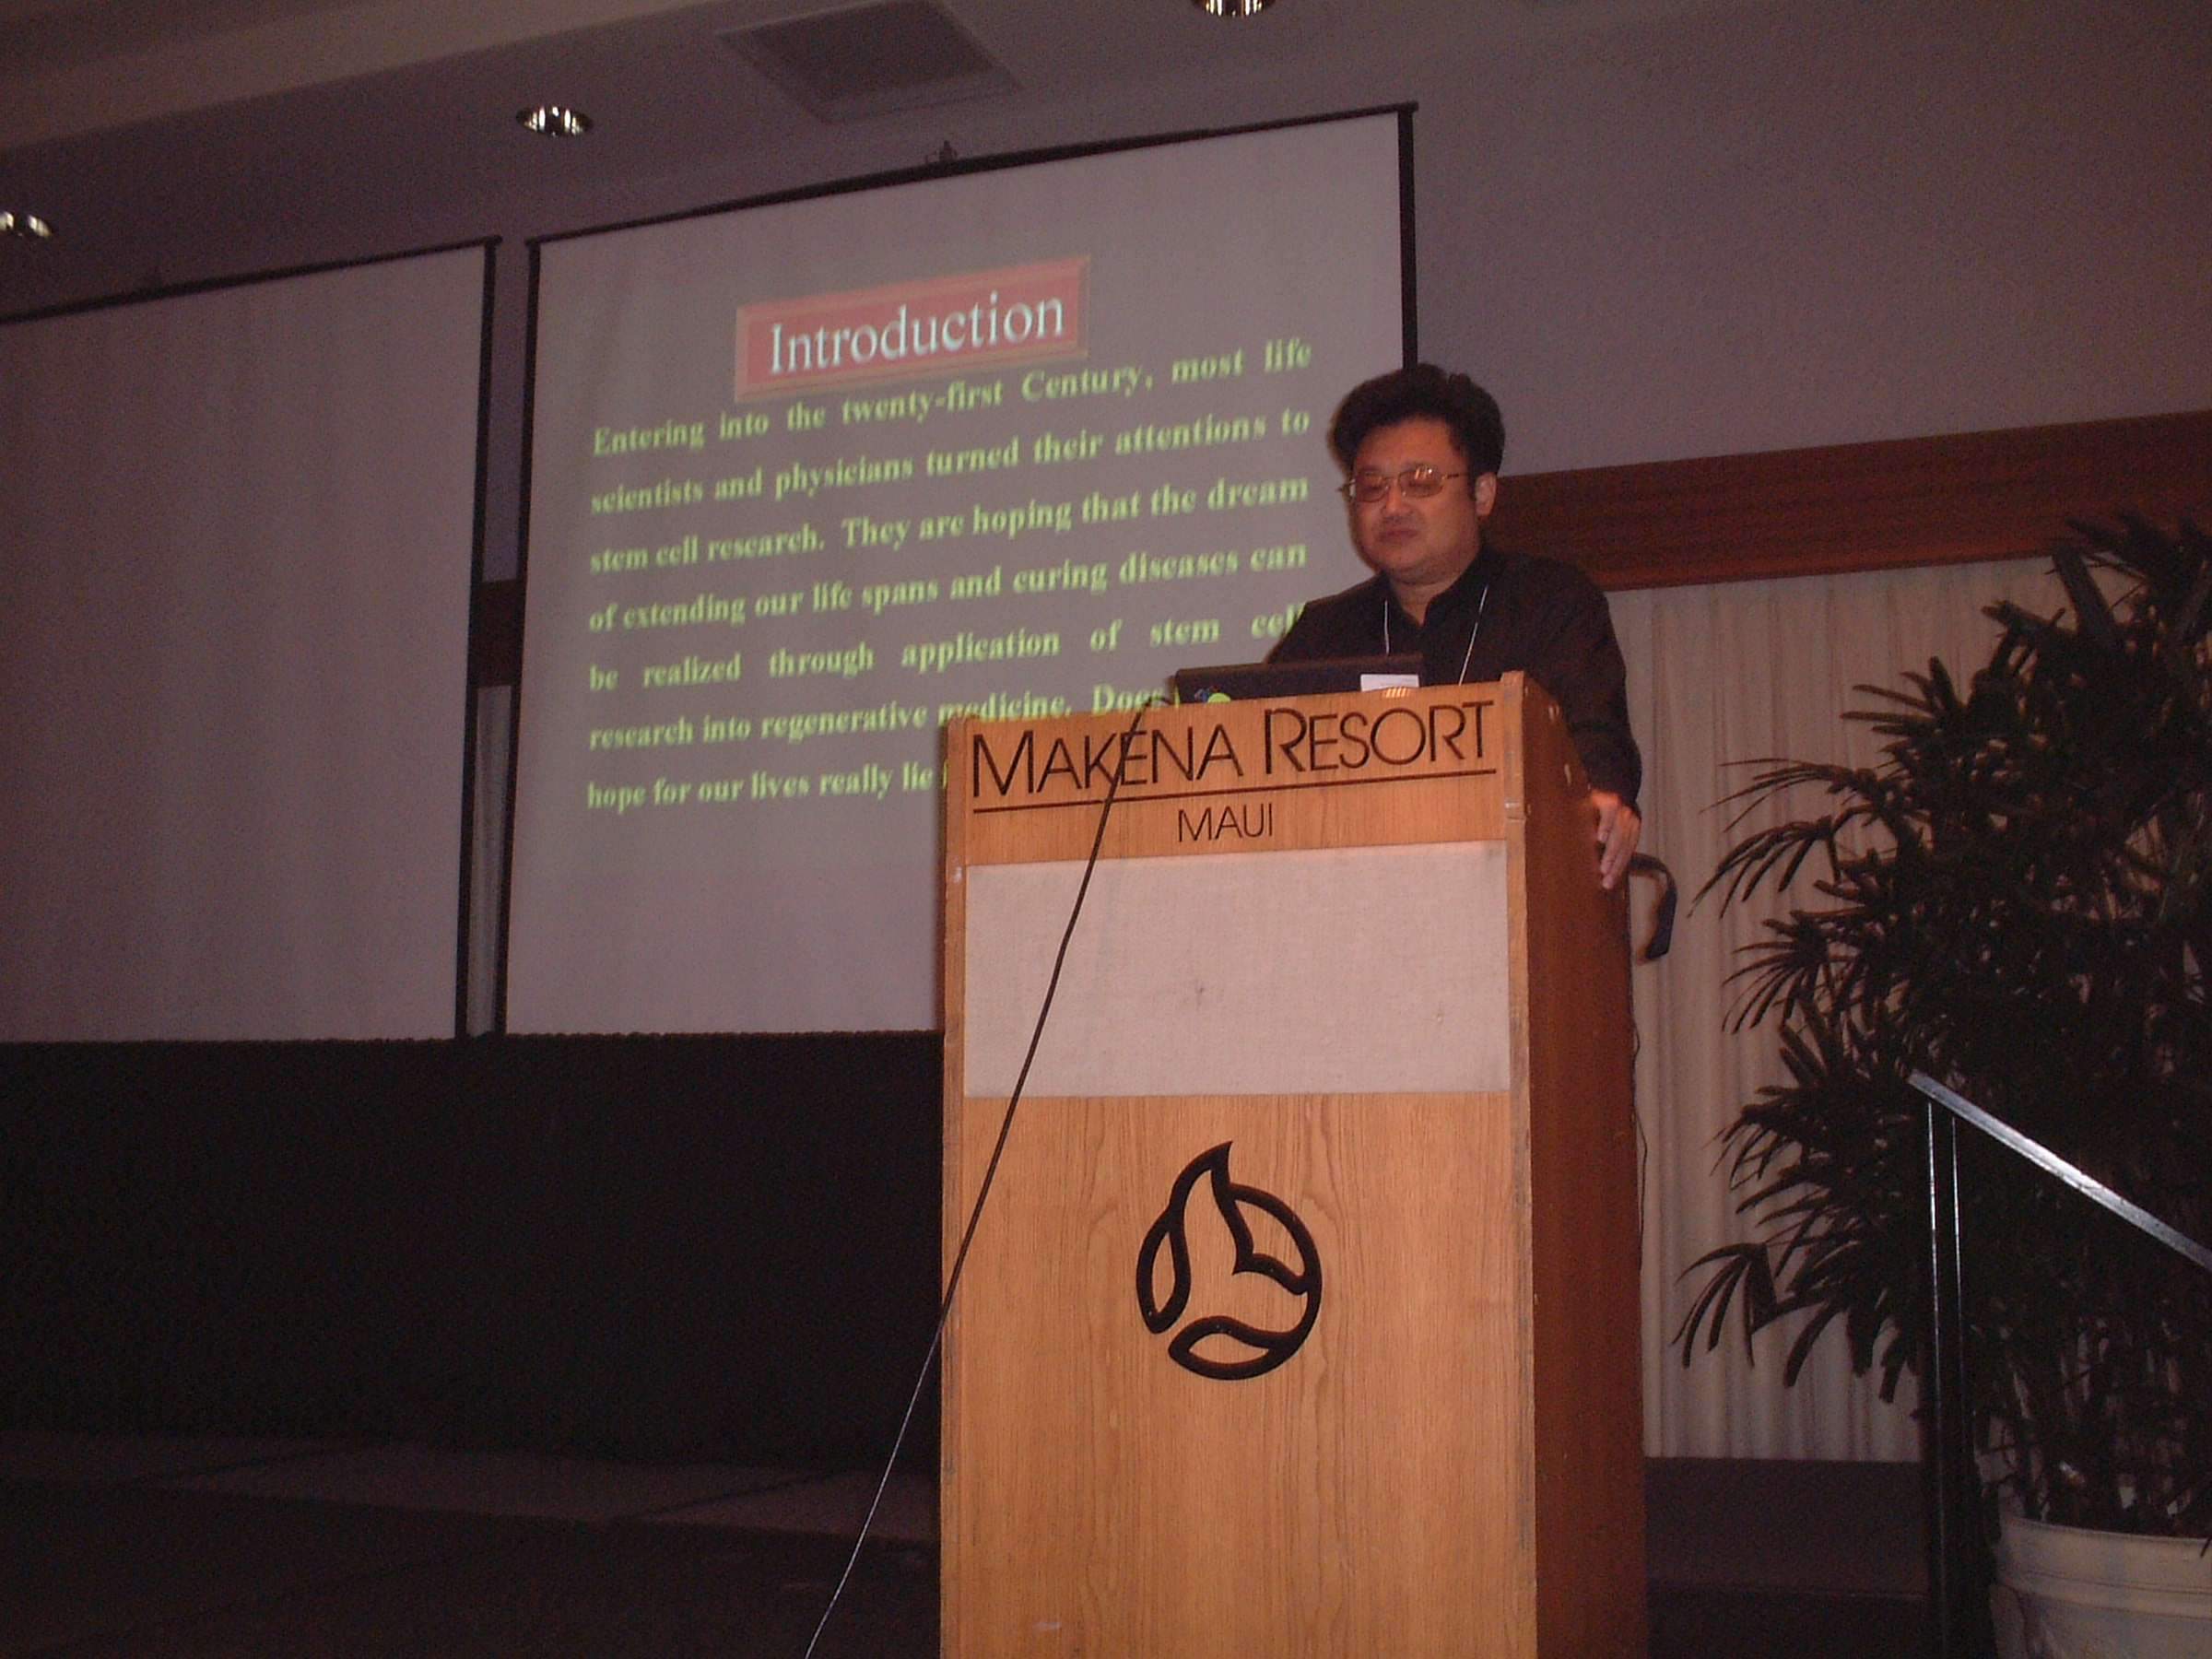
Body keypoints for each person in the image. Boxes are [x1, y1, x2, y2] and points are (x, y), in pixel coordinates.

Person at [1268, 363, 1642, 888]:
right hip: (1350, 895)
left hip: (1510, 884)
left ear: (1482, 494)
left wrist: (1602, 798)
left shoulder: (1550, 603)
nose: (1392, 506)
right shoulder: (1322, 634)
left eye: (1420, 482)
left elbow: (1594, 740)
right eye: (1371, 487)